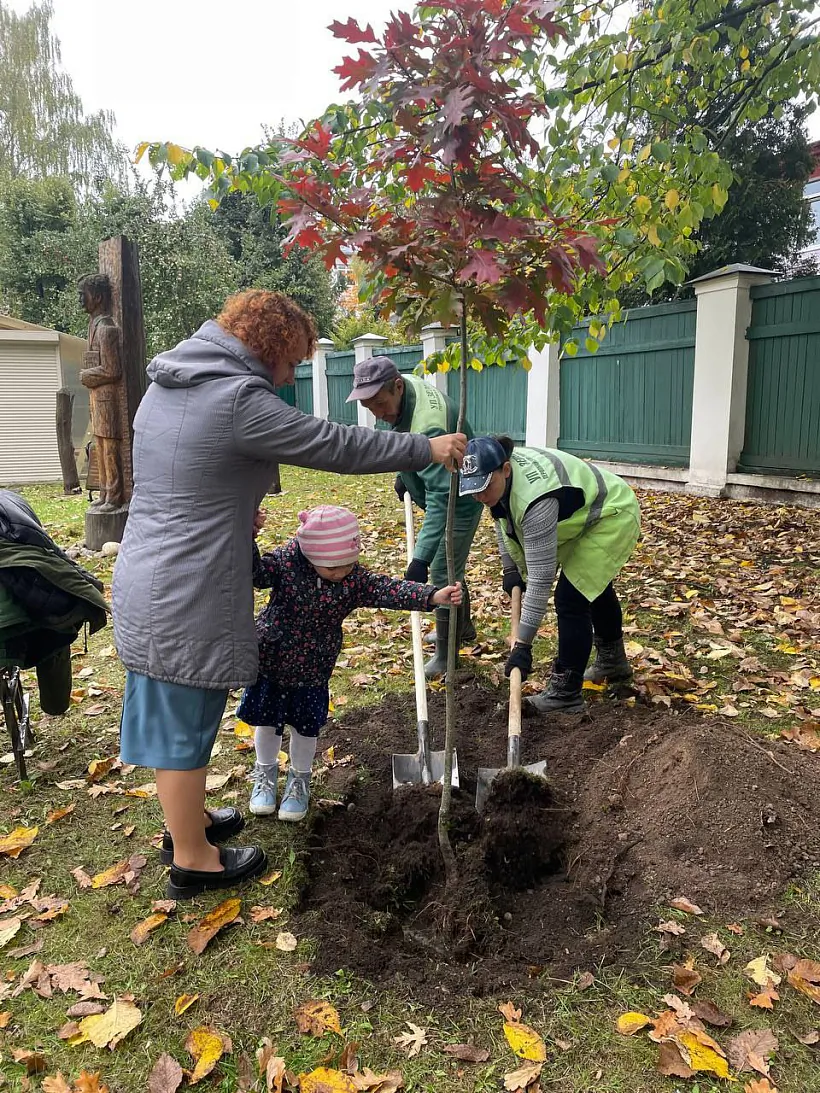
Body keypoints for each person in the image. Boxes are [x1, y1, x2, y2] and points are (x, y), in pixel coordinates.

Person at [111, 290, 467, 900]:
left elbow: (183, 480)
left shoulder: (170, 385)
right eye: (294, 361)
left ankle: (189, 821)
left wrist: (232, 514)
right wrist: (424, 448)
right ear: (272, 348)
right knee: (183, 724)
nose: (290, 376)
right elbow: (333, 444)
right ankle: (193, 858)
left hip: (152, 570)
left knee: (169, 708)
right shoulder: (237, 398)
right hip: (187, 586)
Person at [238, 505, 462, 821]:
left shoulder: (353, 579)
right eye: (333, 568)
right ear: (310, 556)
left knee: (305, 727)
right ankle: (265, 774)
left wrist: (432, 596)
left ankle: (299, 780)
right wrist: (247, 535)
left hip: (313, 669)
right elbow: (256, 574)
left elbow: (387, 589)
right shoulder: (287, 563)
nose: (341, 573)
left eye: (348, 564)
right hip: (272, 662)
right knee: (267, 721)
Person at [458, 436, 641, 714]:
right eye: (474, 490)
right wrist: (510, 568)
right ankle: (613, 661)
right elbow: (501, 516)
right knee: (592, 587)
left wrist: (523, 645)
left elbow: (541, 578)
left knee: (571, 598)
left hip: (612, 514)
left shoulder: (535, 498)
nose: (480, 497)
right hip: (584, 515)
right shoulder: (499, 480)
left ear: (505, 470)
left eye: (485, 488)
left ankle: (566, 692)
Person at [346, 355, 481, 678]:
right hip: (446, 487)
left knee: (443, 568)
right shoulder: (405, 388)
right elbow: (408, 440)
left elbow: (441, 499)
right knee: (451, 565)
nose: (377, 414)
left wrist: (420, 559)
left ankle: (447, 656)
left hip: (460, 496)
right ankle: (461, 629)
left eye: (380, 404)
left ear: (397, 387)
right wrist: (405, 475)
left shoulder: (428, 423)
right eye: (368, 407)